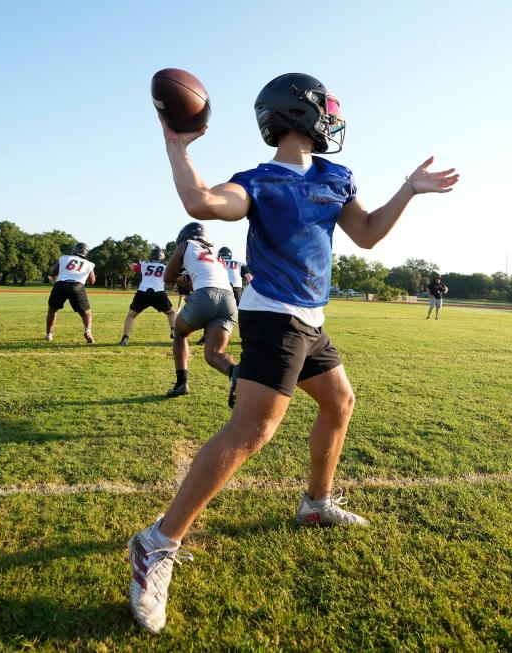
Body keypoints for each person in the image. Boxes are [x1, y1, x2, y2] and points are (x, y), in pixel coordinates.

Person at [127, 72, 459, 634]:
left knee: (340, 403)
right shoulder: (257, 181)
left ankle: (315, 502)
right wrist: (176, 147)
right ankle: (156, 543)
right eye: (326, 106)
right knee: (252, 431)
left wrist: (408, 188)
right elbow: (202, 202)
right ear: (301, 111)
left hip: (310, 319)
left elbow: (370, 234)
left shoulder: (336, 176)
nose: (334, 115)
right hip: (272, 316)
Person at [162, 222, 238, 399]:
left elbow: (167, 278)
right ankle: (236, 373)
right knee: (214, 354)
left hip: (206, 296)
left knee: (179, 334)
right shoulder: (215, 254)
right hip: (229, 300)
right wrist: (187, 281)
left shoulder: (186, 245)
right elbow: (206, 275)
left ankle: (181, 383)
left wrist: (179, 280)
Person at [120, 246, 177, 344]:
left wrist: (138, 262)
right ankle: (173, 330)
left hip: (143, 292)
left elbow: (131, 266)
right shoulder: (165, 267)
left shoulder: (144, 265)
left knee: (131, 316)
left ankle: (125, 338)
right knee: (171, 313)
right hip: (159, 292)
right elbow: (170, 281)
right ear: (161, 257)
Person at [45, 242, 97, 343]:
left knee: (52, 310)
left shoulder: (64, 258)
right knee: (86, 313)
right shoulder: (89, 264)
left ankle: (49, 334)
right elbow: (92, 281)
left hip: (60, 285)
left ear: (74, 250)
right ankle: (88, 331)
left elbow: (52, 273)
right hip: (77, 286)